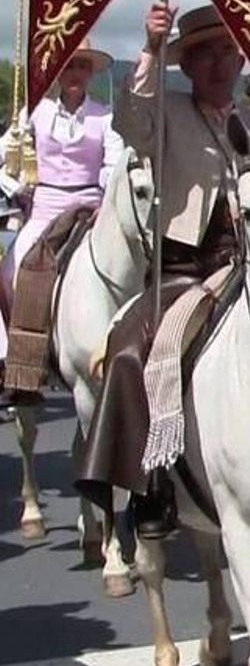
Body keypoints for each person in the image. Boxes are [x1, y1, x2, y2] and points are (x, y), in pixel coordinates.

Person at [78, 4, 248, 539]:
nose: (219, 65)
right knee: (130, 352)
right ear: (187, 66)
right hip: (184, 269)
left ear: (242, 61)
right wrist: (151, 49)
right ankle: (148, 486)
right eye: (205, 55)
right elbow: (131, 118)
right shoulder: (166, 112)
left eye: (227, 53)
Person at [0, 41, 124, 402]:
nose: (75, 74)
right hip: (45, 206)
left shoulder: (105, 117)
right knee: (8, 274)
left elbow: (113, 165)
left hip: (89, 206)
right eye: (70, 66)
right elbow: (6, 153)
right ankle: (20, 362)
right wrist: (16, 186)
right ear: (58, 72)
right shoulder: (34, 112)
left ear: (91, 73)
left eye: (82, 67)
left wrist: (107, 199)